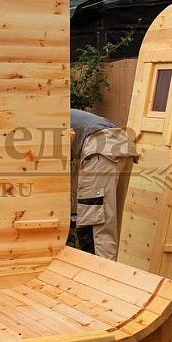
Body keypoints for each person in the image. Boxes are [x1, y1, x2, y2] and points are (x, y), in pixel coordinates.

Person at [70, 108, 138, 260]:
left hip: (101, 149)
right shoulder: (63, 112)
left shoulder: (47, 119)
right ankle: (109, 270)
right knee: (109, 221)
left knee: (93, 225)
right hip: (122, 146)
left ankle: (97, 273)